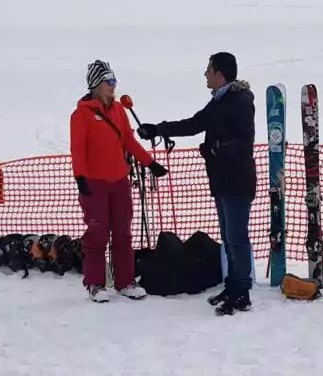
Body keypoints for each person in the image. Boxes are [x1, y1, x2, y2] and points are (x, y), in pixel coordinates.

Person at [136, 52, 256, 316]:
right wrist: (158, 129)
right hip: (222, 180)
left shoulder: (240, 101)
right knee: (228, 237)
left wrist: (215, 149)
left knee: (237, 238)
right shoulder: (219, 101)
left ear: (220, 74)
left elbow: (243, 143)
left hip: (237, 180)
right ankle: (232, 285)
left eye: (208, 70)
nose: (205, 74)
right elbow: (194, 124)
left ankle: (242, 293)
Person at [70, 59, 168, 303]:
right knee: (97, 233)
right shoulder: (81, 114)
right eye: (108, 81)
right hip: (94, 182)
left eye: (114, 81)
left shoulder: (119, 111)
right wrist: (80, 177)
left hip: (120, 181)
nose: (113, 86)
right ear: (96, 85)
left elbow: (129, 142)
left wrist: (150, 163)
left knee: (123, 233)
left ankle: (125, 281)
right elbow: (78, 149)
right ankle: (95, 283)